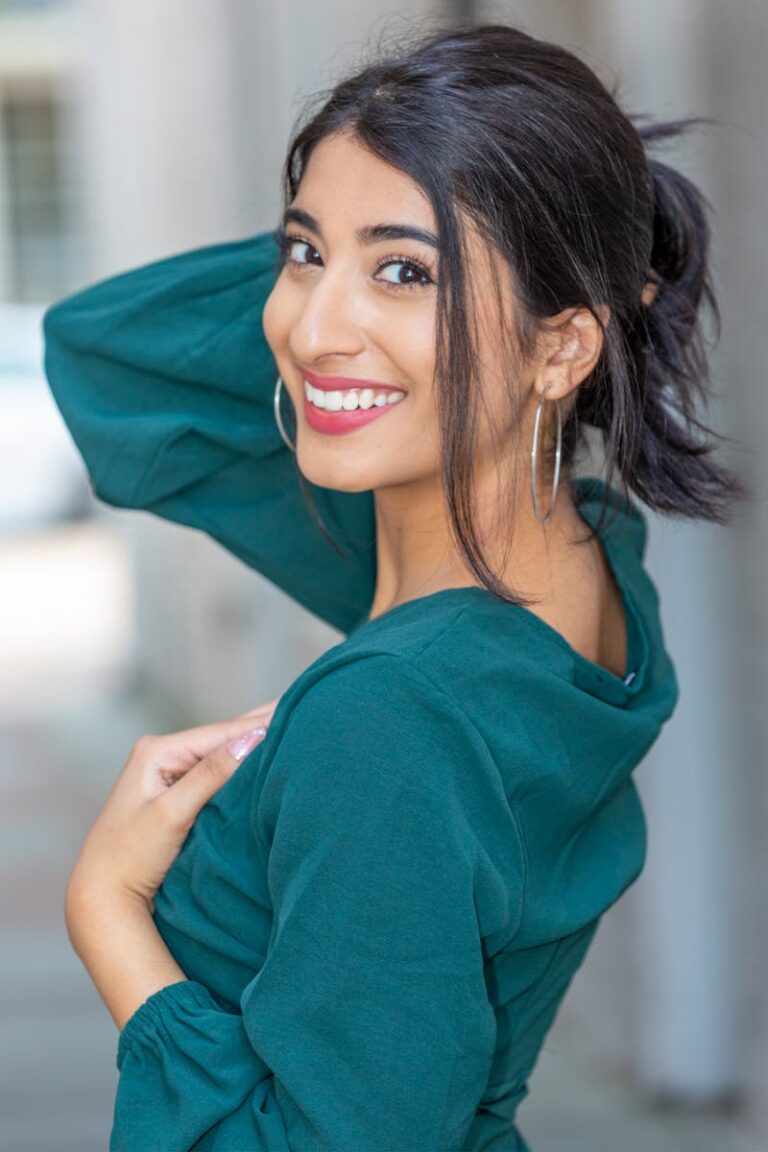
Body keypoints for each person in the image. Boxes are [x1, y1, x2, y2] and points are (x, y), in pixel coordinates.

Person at [42, 19, 748, 1152]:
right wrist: (401, 191)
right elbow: (104, 353)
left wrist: (109, 914)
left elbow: (116, 353)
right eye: (302, 250)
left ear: (565, 350)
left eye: (407, 271)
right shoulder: (589, 565)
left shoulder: (396, 715)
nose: (315, 328)